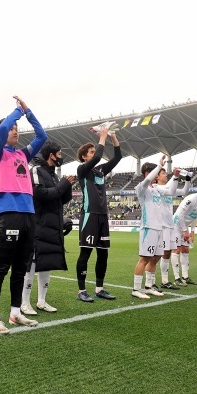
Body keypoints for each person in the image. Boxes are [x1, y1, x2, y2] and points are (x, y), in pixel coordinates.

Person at [0, 96, 47, 333]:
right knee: (1, 267)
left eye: (17, 129)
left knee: (20, 268)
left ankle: (15, 313)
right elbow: (1, 128)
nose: (15, 131)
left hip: (29, 214)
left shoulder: (22, 154)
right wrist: (16, 111)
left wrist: (28, 112)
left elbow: (42, 137)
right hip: (9, 213)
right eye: (12, 128)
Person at [21, 140, 75, 314]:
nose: (61, 157)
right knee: (32, 264)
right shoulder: (36, 170)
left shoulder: (55, 175)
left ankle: (41, 301)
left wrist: (67, 187)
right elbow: (41, 194)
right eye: (59, 154)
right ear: (51, 155)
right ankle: (24, 303)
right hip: (38, 225)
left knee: (47, 263)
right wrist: (62, 186)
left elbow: (60, 198)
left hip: (53, 225)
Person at [76, 126, 121, 302]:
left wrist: (113, 137)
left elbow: (118, 157)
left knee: (103, 253)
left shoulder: (100, 170)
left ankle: (99, 288)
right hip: (89, 215)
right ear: (84, 157)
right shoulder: (82, 170)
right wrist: (102, 137)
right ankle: (81, 291)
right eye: (91, 152)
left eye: (94, 151)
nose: (95, 154)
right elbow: (97, 157)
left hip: (103, 216)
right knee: (85, 253)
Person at [132, 156, 175, 299]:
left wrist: (175, 178)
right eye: (156, 173)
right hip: (148, 228)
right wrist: (158, 166)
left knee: (155, 258)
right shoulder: (141, 188)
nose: (158, 176)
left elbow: (171, 191)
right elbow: (146, 181)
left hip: (159, 228)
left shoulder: (156, 189)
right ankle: (136, 289)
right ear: (148, 173)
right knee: (144, 258)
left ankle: (149, 286)